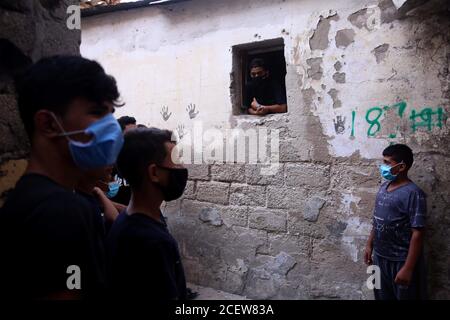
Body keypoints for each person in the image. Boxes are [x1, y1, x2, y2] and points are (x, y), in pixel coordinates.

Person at [0, 55, 123, 300]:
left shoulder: (29, 198)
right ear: (48, 123)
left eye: (111, 114)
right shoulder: (64, 211)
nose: (112, 127)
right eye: (97, 112)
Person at [106, 128, 188, 300]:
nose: (182, 167)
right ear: (154, 173)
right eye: (176, 160)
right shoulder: (153, 242)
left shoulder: (128, 220)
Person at [364, 144, 427, 300]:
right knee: (380, 295)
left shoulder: (414, 194)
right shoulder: (383, 187)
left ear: (401, 167)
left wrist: (408, 268)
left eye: (387, 163)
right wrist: (369, 245)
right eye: (383, 162)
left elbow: (418, 234)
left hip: (400, 261)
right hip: (379, 258)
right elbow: (377, 220)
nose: (383, 166)